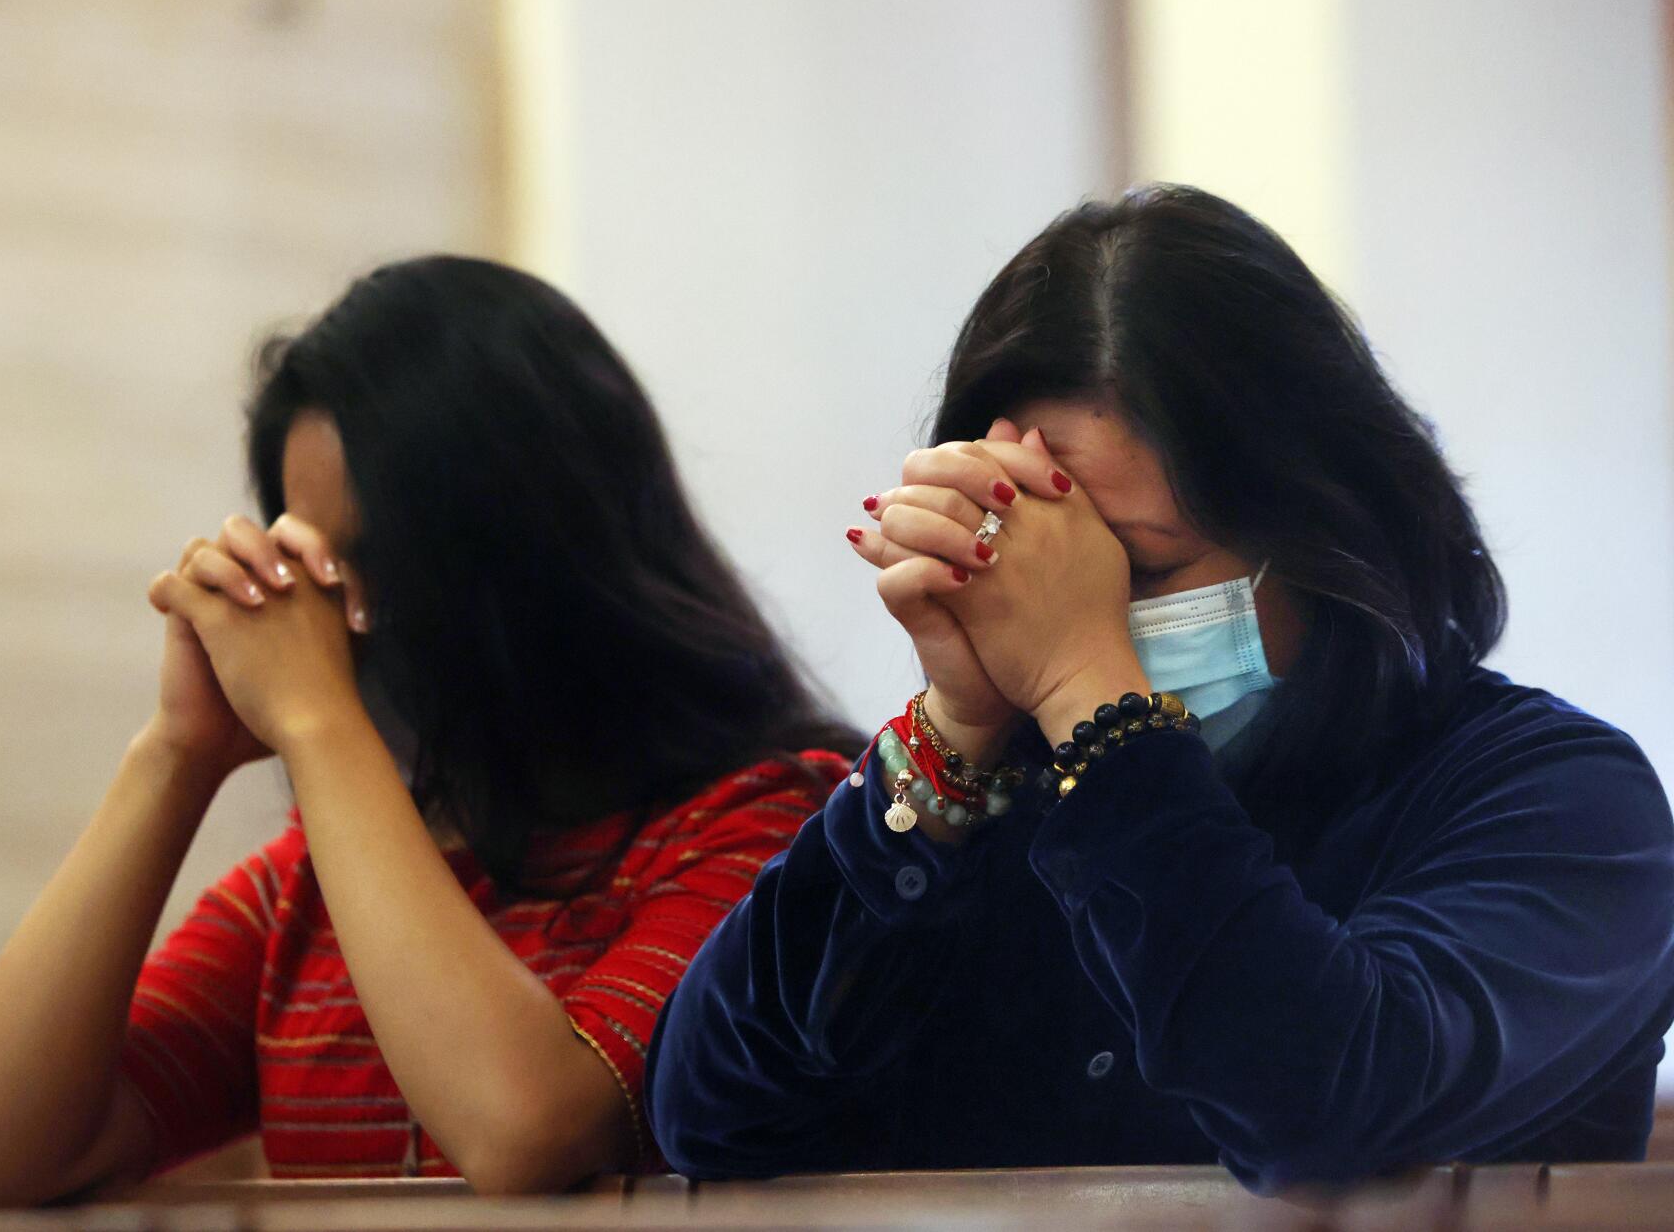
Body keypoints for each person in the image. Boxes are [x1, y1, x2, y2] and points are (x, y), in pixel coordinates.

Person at [643, 186, 1674, 1192]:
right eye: (1031, 566)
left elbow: (1313, 1100)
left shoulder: (1564, 800)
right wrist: (948, 739)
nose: (1065, 614)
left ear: (1321, 527)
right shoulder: (985, 803)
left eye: (1133, 569)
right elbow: (707, 1115)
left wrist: (1092, 694)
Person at [0, 257, 856, 1205]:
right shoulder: (304, 896)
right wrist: (176, 753)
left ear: (537, 553)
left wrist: (318, 722)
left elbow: (525, 1131)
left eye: (376, 568)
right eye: (314, 566)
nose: (337, 621)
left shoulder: (772, 829)